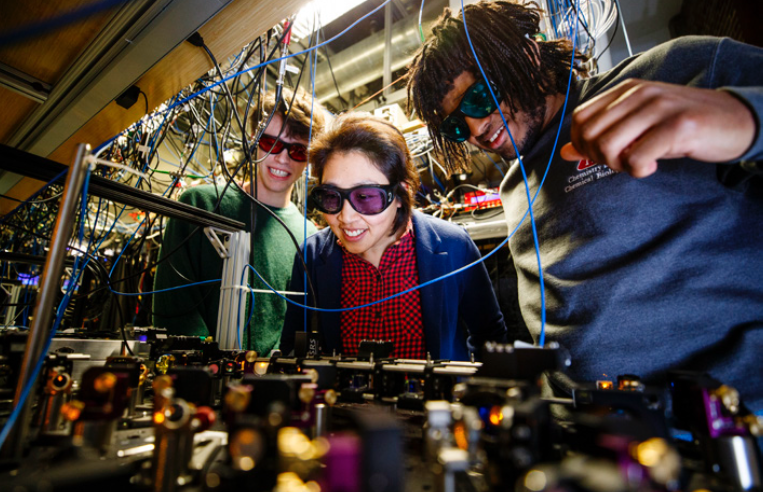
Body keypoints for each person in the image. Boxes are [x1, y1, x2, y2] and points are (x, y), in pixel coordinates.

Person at [406, 1, 763, 410]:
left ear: (528, 55)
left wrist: (746, 118)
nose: (475, 129)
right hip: (594, 440)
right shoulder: (513, 190)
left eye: (479, 97)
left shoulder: (666, 76)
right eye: (456, 125)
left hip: (731, 428)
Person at [281, 113, 506, 360]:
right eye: (332, 196)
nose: (346, 217)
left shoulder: (454, 246)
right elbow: (295, 344)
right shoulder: (311, 256)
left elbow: (490, 335)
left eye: (365, 197)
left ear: (400, 194)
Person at [153, 89, 326, 356]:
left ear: (309, 160)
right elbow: (173, 306)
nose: (283, 158)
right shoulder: (200, 204)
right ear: (252, 142)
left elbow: (300, 324)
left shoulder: (309, 236)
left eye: (298, 150)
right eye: (271, 143)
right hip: (199, 380)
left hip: (274, 384)